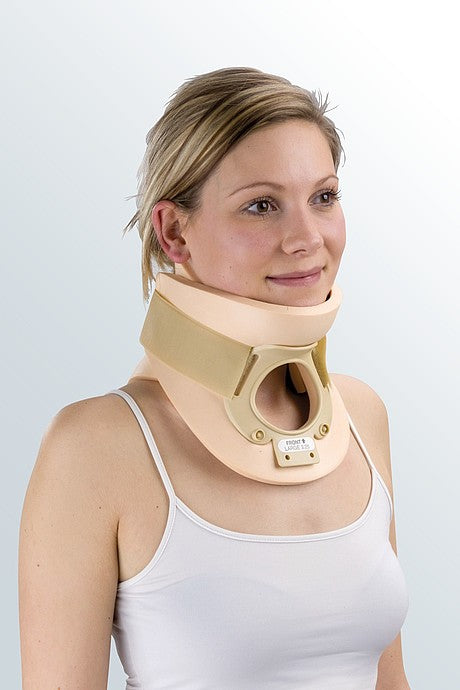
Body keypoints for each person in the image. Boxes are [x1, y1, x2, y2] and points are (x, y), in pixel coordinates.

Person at [18, 67, 410, 689]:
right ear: (174, 231)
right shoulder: (95, 446)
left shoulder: (361, 416)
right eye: (261, 206)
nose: (307, 238)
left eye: (324, 197)